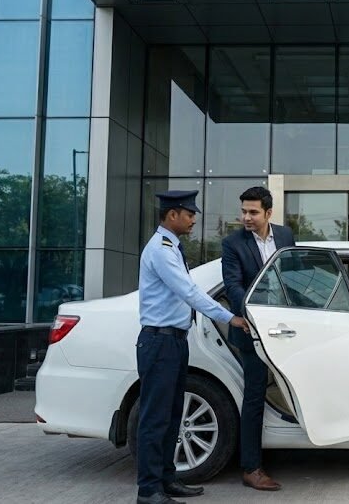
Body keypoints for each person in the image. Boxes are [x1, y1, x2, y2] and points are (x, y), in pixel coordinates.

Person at [136, 190, 248, 504]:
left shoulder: (172, 248)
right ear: (172, 215)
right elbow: (189, 292)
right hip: (159, 342)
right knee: (154, 419)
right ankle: (148, 491)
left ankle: (168, 480)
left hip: (173, 341)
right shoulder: (160, 249)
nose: (194, 220)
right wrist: (230, 318)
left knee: (173, 416)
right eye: (189, 214)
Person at [221, 186, 295, 492]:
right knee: (254, 397)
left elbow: (293, 276)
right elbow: (233, 287)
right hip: (251, 331)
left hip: (286, 329)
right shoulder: (232, 243)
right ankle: (251, 467)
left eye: (253, 212)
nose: (246, 218)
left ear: (268, 213)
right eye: (243, 212)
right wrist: (254, 317)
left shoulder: (286, 236)